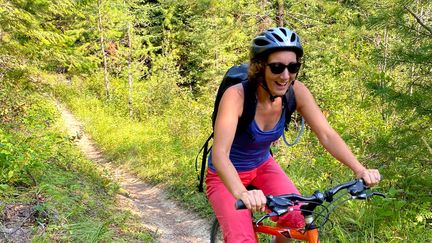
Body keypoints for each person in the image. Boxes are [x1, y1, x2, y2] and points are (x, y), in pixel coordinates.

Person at [205, 27, 381, 243]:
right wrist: (242, 193)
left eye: (293, 67)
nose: (285, 76)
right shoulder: (237, 96)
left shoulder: (296, 91)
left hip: (262, 166)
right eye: (277, 67)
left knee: (297, 217)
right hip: (225, 176)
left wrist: (359, 169)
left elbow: (326, 134)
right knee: (242, 240)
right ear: (260, 67)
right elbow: (220, 154)